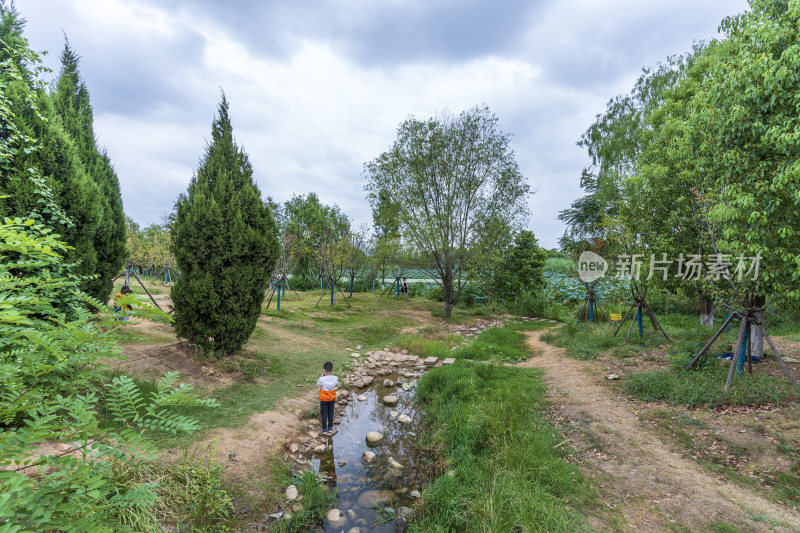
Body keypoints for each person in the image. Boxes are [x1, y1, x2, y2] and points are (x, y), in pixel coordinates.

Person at [317, 361, 338, 435]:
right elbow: (336, 383)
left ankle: (324, 429)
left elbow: (318, 384)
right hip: (332, 399)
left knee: (324, 413)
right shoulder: (335, 378)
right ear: (332, 369)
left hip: (324, 399)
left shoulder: (321, 379)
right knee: (331, 413)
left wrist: (322, 376)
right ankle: (330, 428)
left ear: (324, 370)